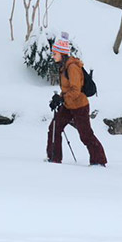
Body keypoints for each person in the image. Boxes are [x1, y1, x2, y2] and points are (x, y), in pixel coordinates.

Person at [45, 32, 108, 166]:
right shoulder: (63, 67)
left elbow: (75, 90)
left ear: (62, 53)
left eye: (55, 53)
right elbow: (68, 90)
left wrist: (62, 99)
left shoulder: (72, 67)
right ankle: (54, 158)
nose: (53, 56)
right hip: (68, 105)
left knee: (85, 135)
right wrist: (58, 98)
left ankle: (99, 161)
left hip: (79, 106)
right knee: (54, 128)